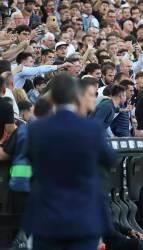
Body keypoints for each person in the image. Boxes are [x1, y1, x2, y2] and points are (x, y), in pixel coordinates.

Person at [23, 73, 117, 250]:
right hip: (85, 218)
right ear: (77, 97)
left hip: (47, 218)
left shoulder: (37, 128)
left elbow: (29, 159)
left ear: (51, 98)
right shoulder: (92, 128)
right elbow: (110, 159)